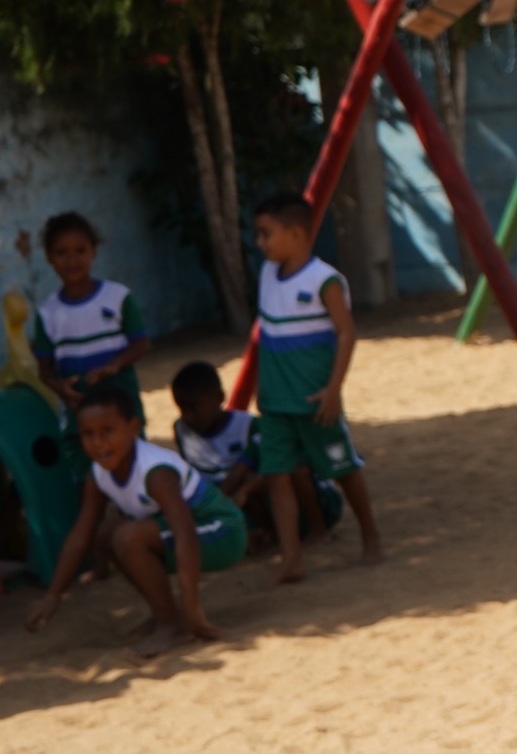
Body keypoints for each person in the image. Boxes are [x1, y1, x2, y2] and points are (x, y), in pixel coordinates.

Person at [25, 383, 242, 658]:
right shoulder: (99, 475)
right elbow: (82, 534)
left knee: (128, 536)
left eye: (108, 431)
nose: (99, 443)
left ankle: (173, 625)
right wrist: (53, 595)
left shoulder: (156, 472)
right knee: (107, 533)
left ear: (133, 427)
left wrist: (192, 607)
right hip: (190, 534)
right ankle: (164, 614)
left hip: (224, 532)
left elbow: (185, 533)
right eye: (88, 435)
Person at [249, 191, 382, 581]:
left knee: (342, 469)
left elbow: (346, 333)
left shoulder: (324, 280)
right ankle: (292, 558)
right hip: (275, 402)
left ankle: (371, 537)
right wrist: (262, 385)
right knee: (278, 476)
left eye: (265, 234)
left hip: (314, 399)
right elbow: (267, 335)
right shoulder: (267, 275)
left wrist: (333, 388)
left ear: (296, 234)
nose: (260, 243)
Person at [169, 358, 340, 546]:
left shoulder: (251, 426)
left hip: (291, 495)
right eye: (181, 408)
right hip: (235, 500)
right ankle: (265, 533)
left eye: (194, 408)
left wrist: (218, 506)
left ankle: (316, 529)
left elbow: (245, 473)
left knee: (272, 477)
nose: (188, 416)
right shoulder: (181, 430)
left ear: (219, 398)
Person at [29, 212, 151, 420]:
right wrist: (60, 388)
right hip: (78, 414)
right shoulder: (47, 313)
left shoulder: (117, 297)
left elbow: (141, 343)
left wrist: (113, 365)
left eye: (80, 250)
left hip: (122, 408)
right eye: (61, 252)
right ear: (49, 257)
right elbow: (45, 368)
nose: (72, 260)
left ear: (93, 251)